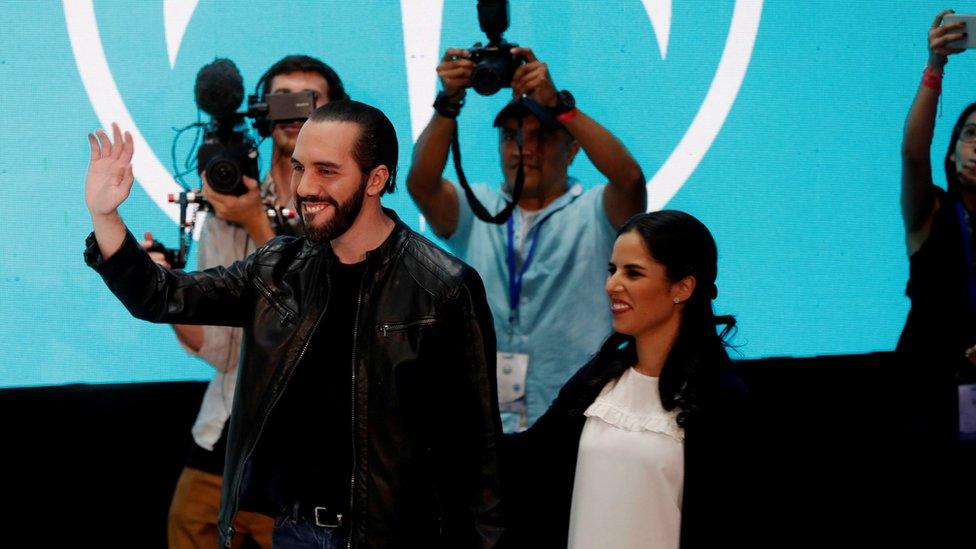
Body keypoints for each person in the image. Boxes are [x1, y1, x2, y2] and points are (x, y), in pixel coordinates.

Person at [83, 101, 503, 548]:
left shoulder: (442, 286)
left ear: (376, 179)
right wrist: (105, 216)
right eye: (300, 168)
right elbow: (162, 295)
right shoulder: (277, 269)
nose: (305, 187)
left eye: (327, 171)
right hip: (293, 531)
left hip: (395, 536)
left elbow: (477, 453)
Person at [145, 55, 348, 549]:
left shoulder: (349, 206)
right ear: (262, 110)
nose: (296, 112)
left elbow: (317, 325)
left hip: (310, 455)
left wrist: (258, 223)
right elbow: (220, 352)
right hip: (226, 432)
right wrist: (168, 288)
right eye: (283, 100)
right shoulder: (226, 202)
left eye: (311, 101)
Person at [407, 46, 646, 431]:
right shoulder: (479, 208)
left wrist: (561, 107)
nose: (524, 150)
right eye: (511, 137)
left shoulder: (597, 211)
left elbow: (630, 179)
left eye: (542, 137)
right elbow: (421, 183)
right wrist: (448, 102)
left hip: (582, 414)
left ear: (572, 150)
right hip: (490, 419)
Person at [500, 211, 750, 549]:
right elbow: (529, 460)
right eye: (612, 270)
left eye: (633, 273)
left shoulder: (722, 399)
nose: (611, 285)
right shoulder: (598, 379)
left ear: (683, 287)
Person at [898, 10, 976, 441]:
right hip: (930, 390)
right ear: (951, 155)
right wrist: (935, 66)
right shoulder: (930, 213)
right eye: (971, 134)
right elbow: (913, 151)